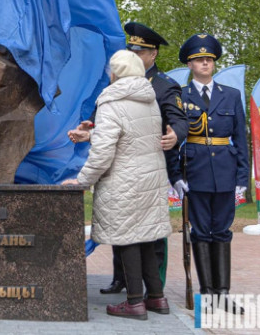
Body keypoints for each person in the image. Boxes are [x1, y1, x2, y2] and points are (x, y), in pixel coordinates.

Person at [63, 50, 171, 320]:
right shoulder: (149, 99)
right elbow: (132, 134)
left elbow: (103, 154)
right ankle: (156, 298)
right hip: (150, 179)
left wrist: (82, 180)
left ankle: (134, 302)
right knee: (146, 237)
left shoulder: (112, 101)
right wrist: (93, 133)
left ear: (116, 72)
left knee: (126, 240)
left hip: (123, 181)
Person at [98, 22, 189, 294]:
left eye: (141, 52)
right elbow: (107, 115)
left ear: (153, 55)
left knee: (150, 231)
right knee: (120, 224)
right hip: (122, 165)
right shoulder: (119, 82)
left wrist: (176, 136)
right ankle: (121, 278)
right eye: (131, 51)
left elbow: (179, 119)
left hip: (151, 166)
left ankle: (154, 286)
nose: (134, 56)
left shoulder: (164, 86)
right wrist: (89, 128)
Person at [177, 33, 249, 314]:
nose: (205, 63)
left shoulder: (231, 95)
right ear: (190, 65)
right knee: (200, 231)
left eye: (209, 59)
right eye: (199, 60)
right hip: (194, 171)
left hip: (225, 172)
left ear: (215, 63)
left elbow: (240, 139)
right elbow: (172, 139)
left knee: (222, 231)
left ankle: (223, 294)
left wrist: (242, 177)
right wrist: (175, 175)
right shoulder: (181, 96)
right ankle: (206, 294)